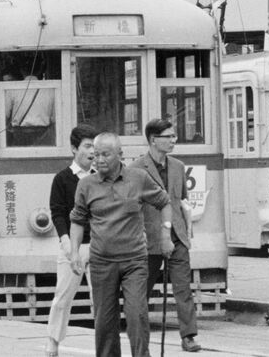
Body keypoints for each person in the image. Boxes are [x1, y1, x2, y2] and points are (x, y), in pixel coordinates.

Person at [69, 133, 173, 357]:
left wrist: (165, 234)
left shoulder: (138, 178)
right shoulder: (86, 185)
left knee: (137, 315)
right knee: (105, 323)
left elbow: (164, 202)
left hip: (134, 261)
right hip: (101, 262)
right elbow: (77, 220)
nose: (99, 159)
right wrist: (74, 252)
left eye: (105, 154)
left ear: (120, 155)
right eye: (95, 155)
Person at [129, 119, 201, 353]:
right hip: (148, 239)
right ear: (153, 140)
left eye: (174, 136)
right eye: (168, 136)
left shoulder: (178, 166)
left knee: (183, 287)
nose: (173, 140)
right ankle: (139, 338)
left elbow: (181, 200)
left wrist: (186, 228)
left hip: (178, 236)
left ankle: (189, 336)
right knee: (141, 291)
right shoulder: (136, 168)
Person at [44, 123, 97, 357]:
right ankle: (53, 342)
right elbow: (57, 212)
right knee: (63, 296)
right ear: (74, 149)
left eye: (94, 147)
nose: (92, 151)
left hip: (98, 246)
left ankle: (103, 345)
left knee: (102, 299)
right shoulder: (62, 179)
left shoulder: (100, 178)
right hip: (71, 246)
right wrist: (66, 241)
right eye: (87, 146)